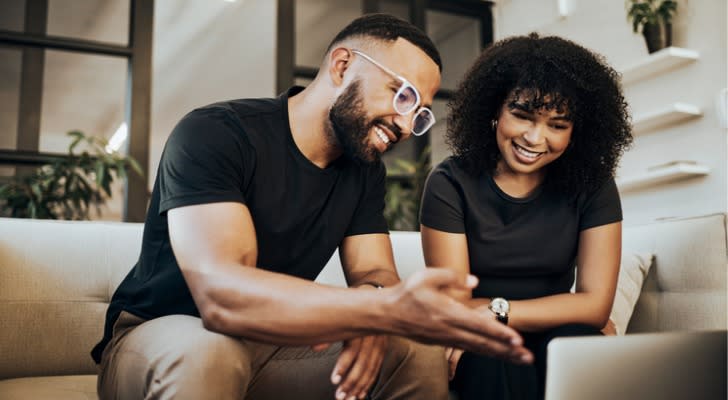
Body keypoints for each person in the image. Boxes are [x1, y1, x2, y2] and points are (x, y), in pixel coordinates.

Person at [92, 14, 533, 400]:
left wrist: (375, 308)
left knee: (413, 351)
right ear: (342, 65)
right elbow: (223, 298)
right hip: (162, 334)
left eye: (417, 113)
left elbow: (375, 274)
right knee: (208, 352)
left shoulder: (363, 170)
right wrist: (378, 310)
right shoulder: (216, 133)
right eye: (401, 96)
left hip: (269, 345)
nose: (405, 126)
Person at [420, 33, 633, 400]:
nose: (536, 138)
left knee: (578, 342)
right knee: (489, 349)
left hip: (555, 332)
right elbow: (453, 303)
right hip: (484, 340)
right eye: (522, 115)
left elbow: (595, 306)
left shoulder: (594, 185)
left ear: (576, 132)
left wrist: (497, 311)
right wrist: (492, 321)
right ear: (494, 111)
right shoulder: (449, 182)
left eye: (557, 125)